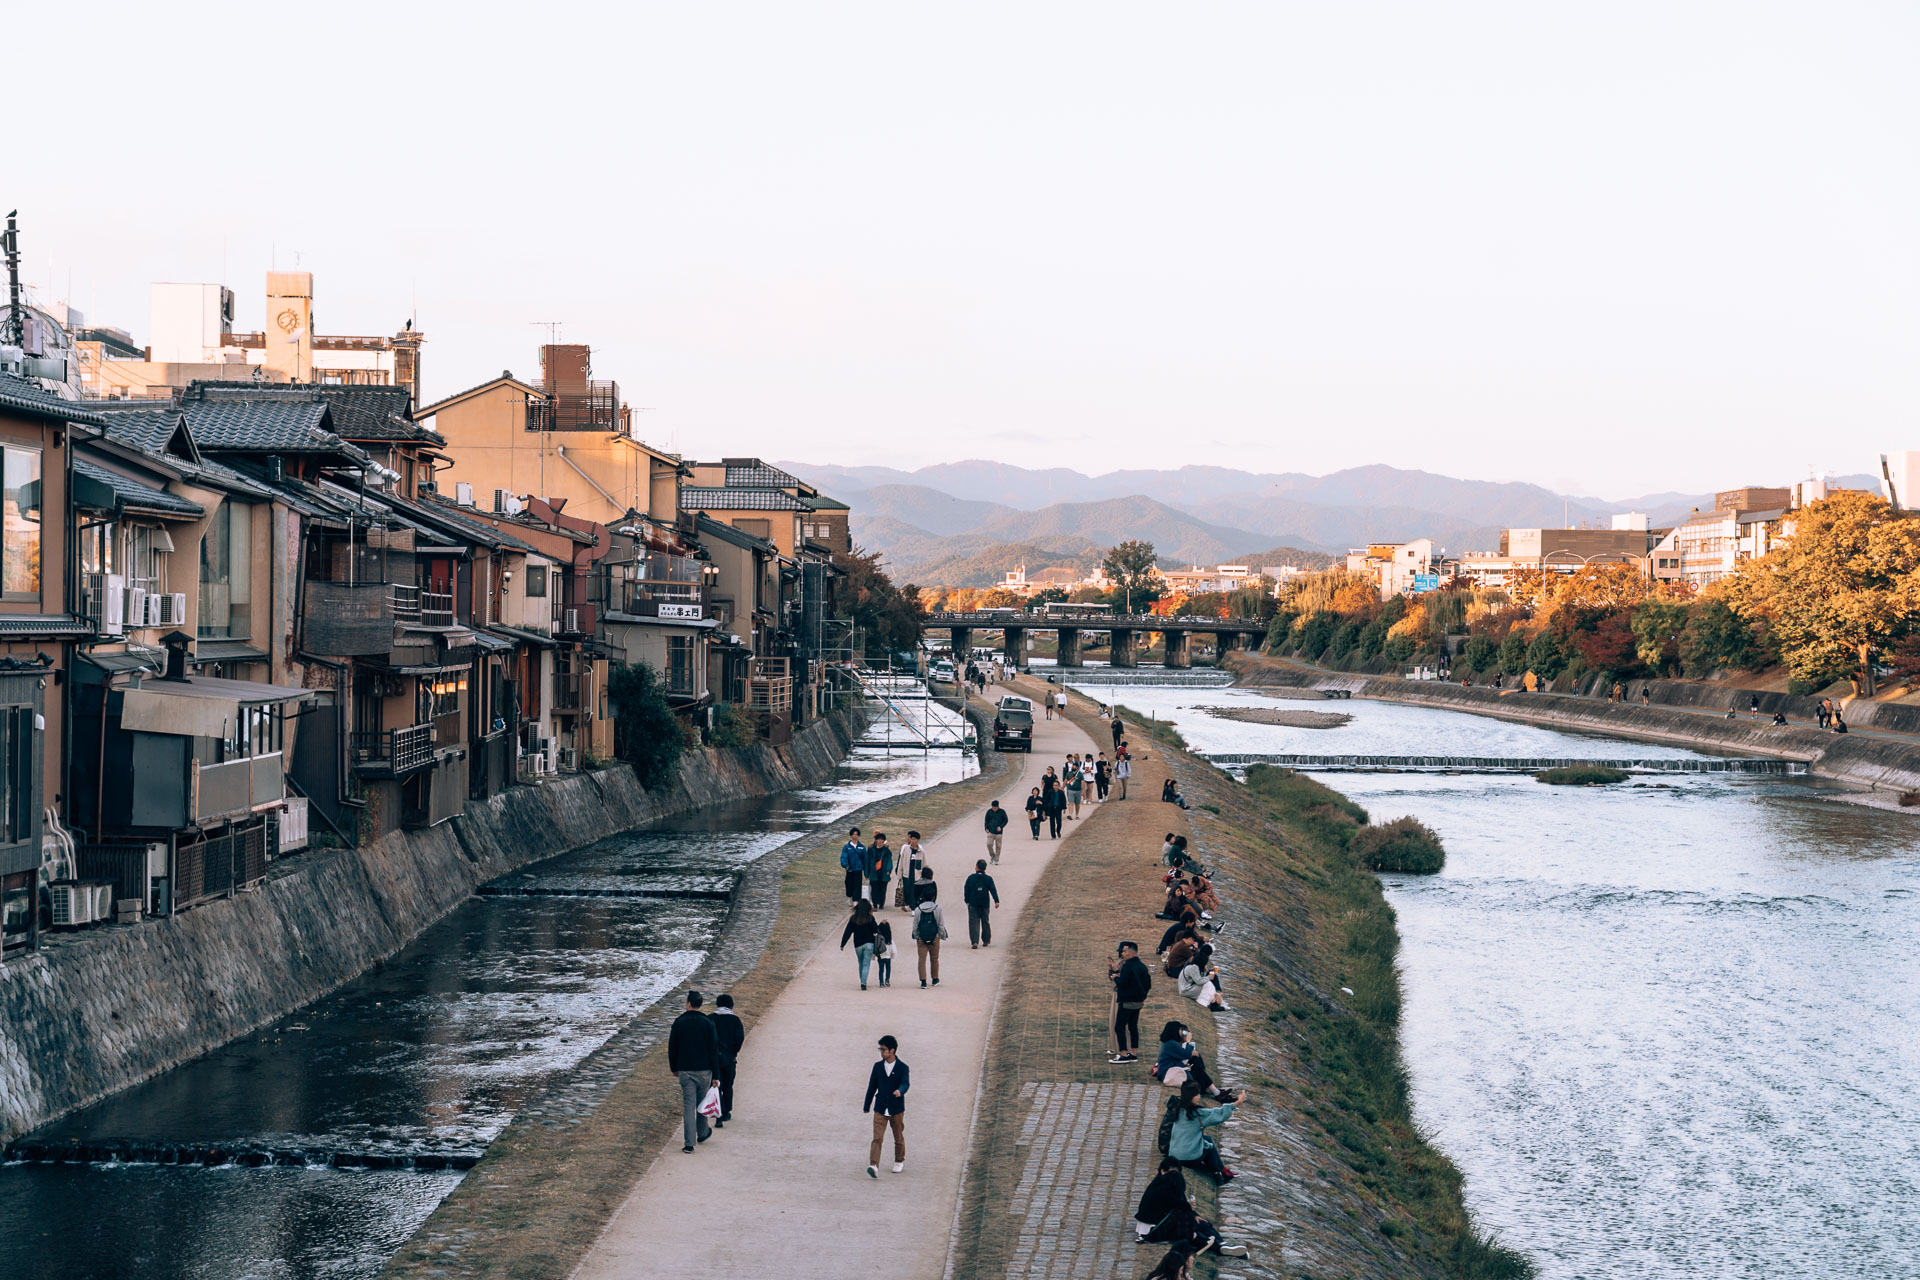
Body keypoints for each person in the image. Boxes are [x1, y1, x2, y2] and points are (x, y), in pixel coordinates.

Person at [1134, 1156, 1245, 1257]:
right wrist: (1189, 1209)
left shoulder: (1169, 1183)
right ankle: (1218, 1247)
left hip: (1163, 1220)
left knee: (1199, 1221)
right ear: (1163, 1171)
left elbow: (1181, 1203)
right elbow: (1179, 1206)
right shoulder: (1162, 1187)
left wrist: (1193, 1213)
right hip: (1152, 1229)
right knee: (1190, 1226)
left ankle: (1222, 1243)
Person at [667, 990, 719, 1153]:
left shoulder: (679, 1022)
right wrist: (716, 1075)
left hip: (685, 1069)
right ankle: (702, 1133)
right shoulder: (707, 1022)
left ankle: (689, 1143)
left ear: (688, 1003)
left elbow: (672, 1048)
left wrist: (674, 1067)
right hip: (704, 1070)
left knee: (688, 1106)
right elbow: (713, 1049)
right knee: (701, 1103)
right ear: (700, 1004)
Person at [1168, 1081, 1240, 1183]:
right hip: (1188, 1158)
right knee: (1209, 1147)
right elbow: (1219, 1113)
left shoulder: (1179, 1110)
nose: (1199, 1097)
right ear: (1191, 1097)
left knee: (1207, 1139)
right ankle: (1218, 1174)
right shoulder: (1198, 1113)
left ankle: (1221, 1170)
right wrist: (1238, 1102)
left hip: (1174, 1156)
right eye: (1197, 1095)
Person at [863, 1034, 910, 1177]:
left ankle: (899, 1161)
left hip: (896, 1108)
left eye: (883, 1049)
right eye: (880, 1049)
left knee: (898, 1137)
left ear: (892, 1050)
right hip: (881, 1107)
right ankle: (873, 1165)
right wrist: (867, 1104)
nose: (881, 1052)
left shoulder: (902, 1067)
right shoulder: (877, 1067)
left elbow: (905, 1083)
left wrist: (900, 1091)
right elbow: (872, 1086)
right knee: (877, 1138)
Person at [1110, 940, 1152, 1063]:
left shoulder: (1128, 966)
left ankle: (1123, 1054)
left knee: (1119, 1027)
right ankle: (1133, 1053)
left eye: (1123, 951)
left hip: (1127, 1001)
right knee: (1133, 1026)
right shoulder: (1142, 966)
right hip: (1139, 1001)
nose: (1122, 954)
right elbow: (1148, 984)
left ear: (1130, 952)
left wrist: (1115, 978)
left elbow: (1122, 983)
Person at [712, 993, 745, 1126]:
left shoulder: (710, 1019)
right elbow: (739, 1039)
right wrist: (733, 1052)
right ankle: (726, 1111)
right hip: (729, 1058)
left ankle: (718, 1112)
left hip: (714, 1058)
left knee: (715, 1086)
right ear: (731, 1005)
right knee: (728, 1085)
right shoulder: (735, 1020)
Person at [911, 870, 948, 987]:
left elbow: (915, 925)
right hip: (934, 936)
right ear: (933, 897)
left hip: (921, 936)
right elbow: (940, 924)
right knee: (934, 958)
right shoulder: (938, 909)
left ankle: (923, 981)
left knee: (921, 959)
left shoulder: (918, 910)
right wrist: (940, 935)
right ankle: (935, 978)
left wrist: (916, 935)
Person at [840, 898, 882, 990]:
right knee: (866, 964)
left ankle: (862, 980)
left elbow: (848, 932)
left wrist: (842, 944)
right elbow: (876, 930)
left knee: (861, 963)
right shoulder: (870, 918)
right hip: (869, 944)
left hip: (858, 944)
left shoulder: (853, 918)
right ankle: (863, 982)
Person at [963, 859, 1000, 948]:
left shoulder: (970, 878)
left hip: (973, 903)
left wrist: (967, 901)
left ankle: (975, 941)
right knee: (985, 922)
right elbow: (993, 890)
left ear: (976, 867)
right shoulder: (988, 879)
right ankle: (986, 940)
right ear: (985, 869)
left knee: (973, 923)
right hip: (985, 904)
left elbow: (966, 889)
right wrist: (996, 901)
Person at [1179, 945, 1228, 1011]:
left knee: (1208, 981)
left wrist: (1207, 971)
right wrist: (1209, 977)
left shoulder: (1194, 964)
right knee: (1208, 984)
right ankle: (1213, 1003)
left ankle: (1214, 1001)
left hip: (1186, 987)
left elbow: (1199, 977)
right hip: (1185, 990)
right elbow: (1199, 981)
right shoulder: (1194, 968)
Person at [900, 830, 928, 910]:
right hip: (907, 874)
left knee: (914, 892)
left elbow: (924, 864)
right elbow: (901, 862)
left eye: (915, 839)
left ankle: (913, 908)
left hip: (917, 875)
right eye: (912, 839)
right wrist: (899, 874)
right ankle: (908, 904)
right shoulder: (906, 849)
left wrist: (925, 875)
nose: (914, 841)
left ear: (918, 840)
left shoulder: (921, 851)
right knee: (907, 891)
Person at [840, 828, 868, 903]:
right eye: (853, 834)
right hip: (850, 869)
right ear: (851, 835)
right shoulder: (847, 847)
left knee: (858, 885)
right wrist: (845, 865)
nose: (855, 836)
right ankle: (849, 897)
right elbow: (844, 857)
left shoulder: (862, 847)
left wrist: (866, 872)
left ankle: (856, 900)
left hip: (858, 869)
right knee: (849, 884)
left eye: (856, 834)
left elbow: (865, 860)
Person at [867, 832, 894, 906]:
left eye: (881, 839)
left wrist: (888, 870)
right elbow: (867, 862)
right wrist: (867, 873)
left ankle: (881, 903)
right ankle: (875, 904)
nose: (880, 841)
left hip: (883, 873)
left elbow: (889, 861)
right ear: (875, 840)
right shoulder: (871, 850)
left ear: (884, 841)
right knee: (874, 889)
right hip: (873, 872)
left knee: (882, 889)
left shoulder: (887, 851)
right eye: (878, 839)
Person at [984, 800, 1009, 864]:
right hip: (991, 831)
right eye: (993, 807)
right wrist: (986, 828)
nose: (994, 809)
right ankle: (992, 855)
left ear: (998, 806)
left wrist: (1001, 826)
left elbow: (1006, 820)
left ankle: (996, 859)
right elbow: (986, 820)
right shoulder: (989, 812)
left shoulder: (1002, 812)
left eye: (995, 807)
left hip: (999, 832)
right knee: (989, 844)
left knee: (998, 846)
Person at [874, 916, 895, 987]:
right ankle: (887, 980)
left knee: (881, 969)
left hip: (880, 956)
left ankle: (881, 982)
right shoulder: (890, 939)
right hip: (888, 956)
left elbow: (875, 947)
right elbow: (893, 949)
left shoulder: (878, 938)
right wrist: (893, 955)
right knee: (888, 968)